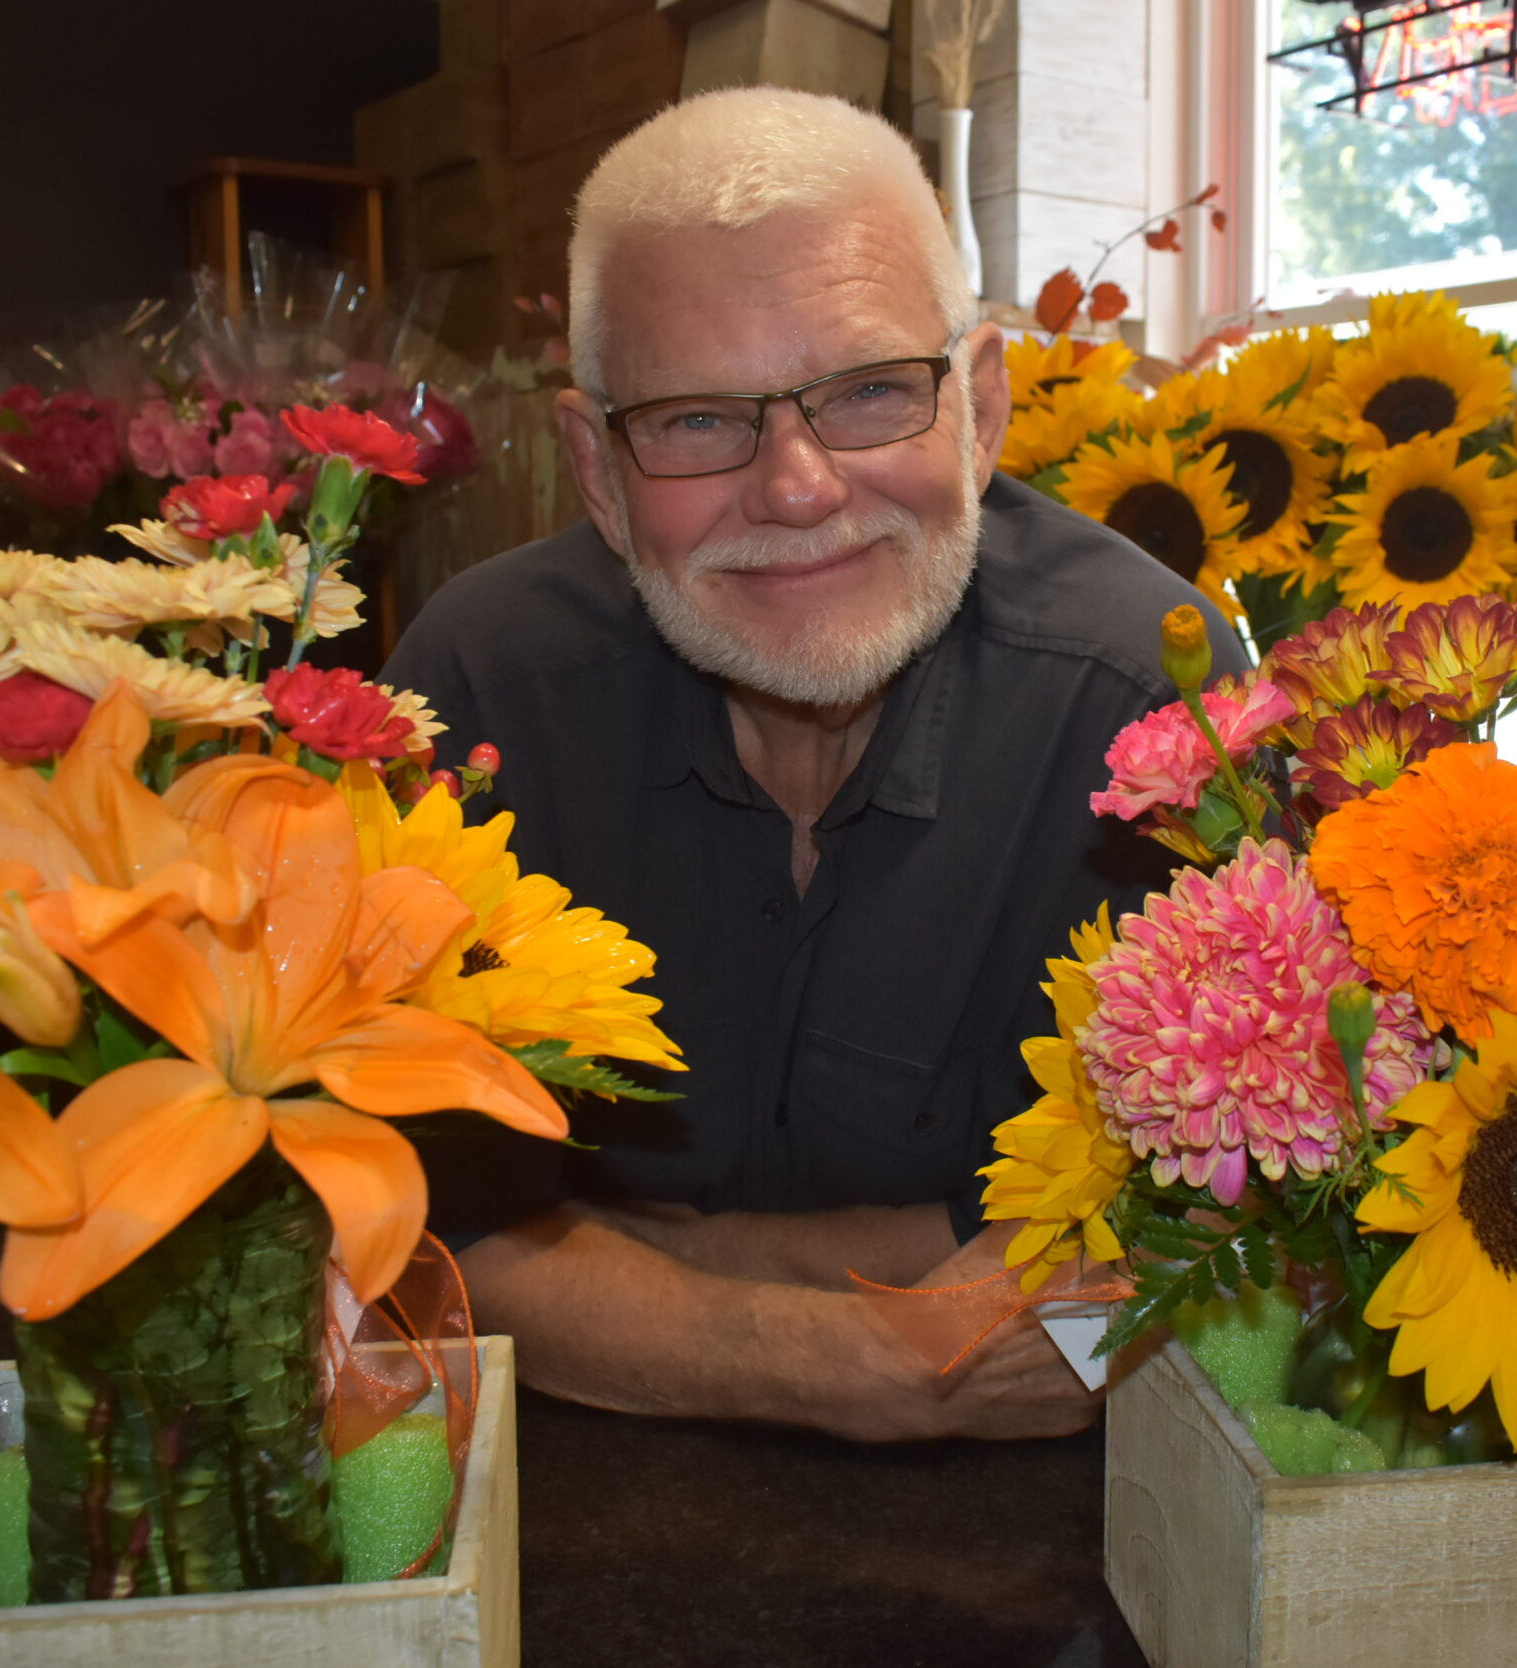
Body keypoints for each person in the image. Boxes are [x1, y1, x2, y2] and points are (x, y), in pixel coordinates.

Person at [381, 86, 1249, 1441]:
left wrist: (616, 1256)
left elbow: (1178, 1252)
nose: (796, 489)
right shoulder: (479, 700)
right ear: (594, 474)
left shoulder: (1152, 714)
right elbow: (405, 1236)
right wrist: (853, 1358)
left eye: (871, 394)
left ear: (985, 410)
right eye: (697, 420)